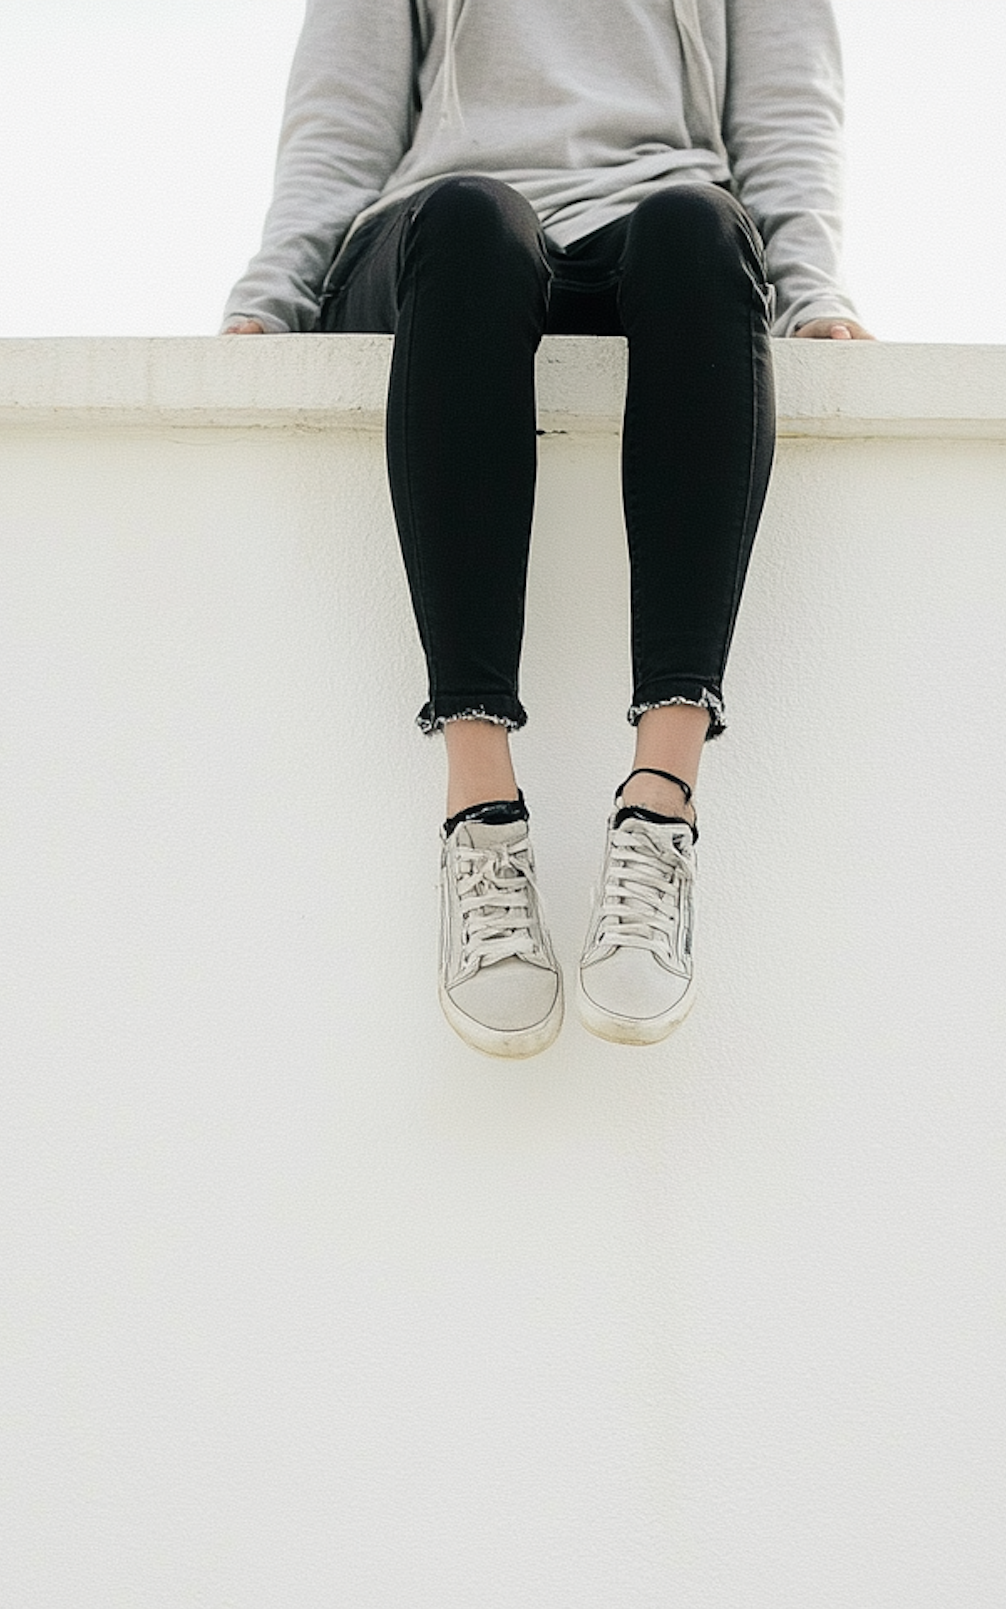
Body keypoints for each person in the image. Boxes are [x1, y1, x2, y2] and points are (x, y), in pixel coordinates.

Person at [224, 0, 871, 1056]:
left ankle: (660, 807)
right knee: (474, 215)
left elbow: (789, 112)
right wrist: (274, 294)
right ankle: (481, 814)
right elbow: (341, 114)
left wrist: (808, 292)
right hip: (443, 246)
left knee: (698, 226)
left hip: (644, 227)